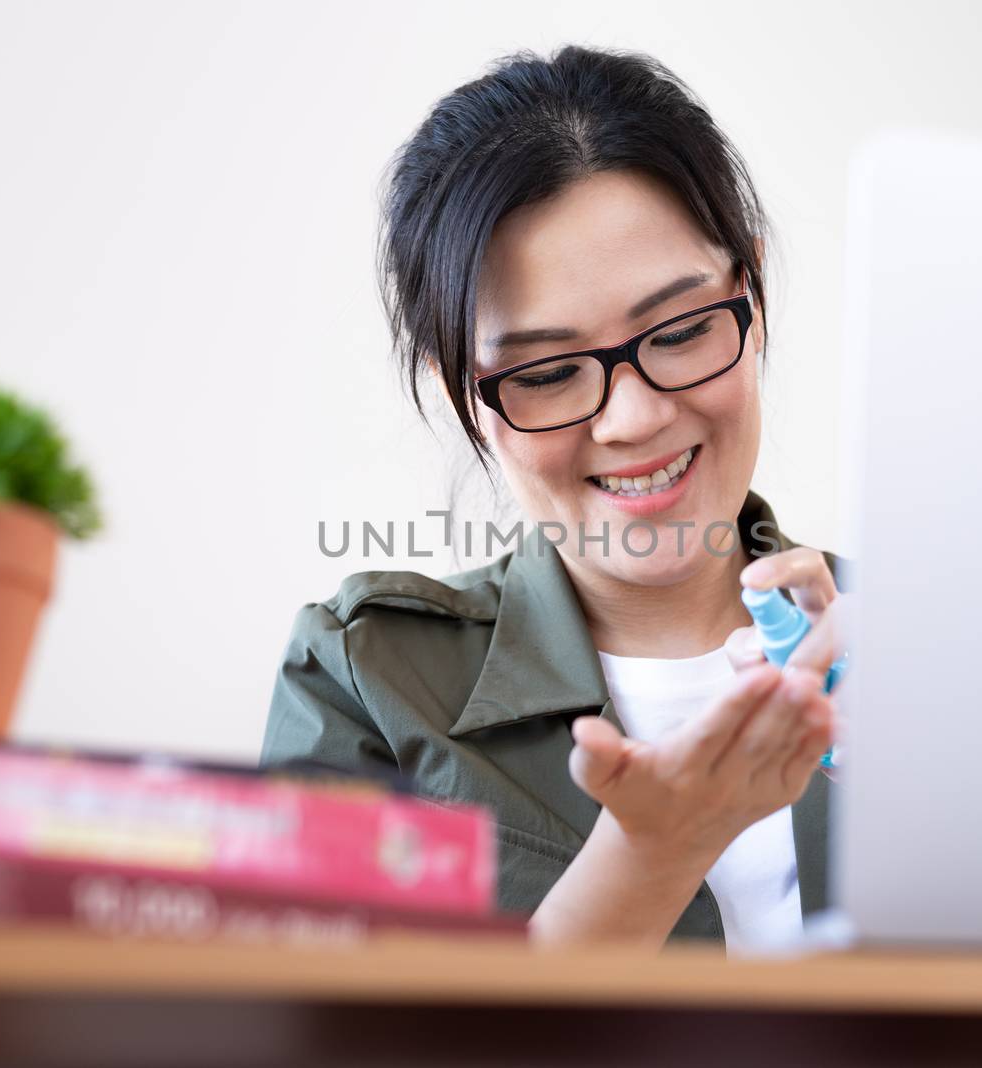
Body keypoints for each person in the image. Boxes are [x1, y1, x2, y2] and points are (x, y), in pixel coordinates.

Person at [262, 45, 849, 952]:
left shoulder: (933, 646)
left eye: (684, 329)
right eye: (547, 373)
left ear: (754, 296)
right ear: (463, 395)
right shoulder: (369, 680)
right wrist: (650, 859)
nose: (634, 417)